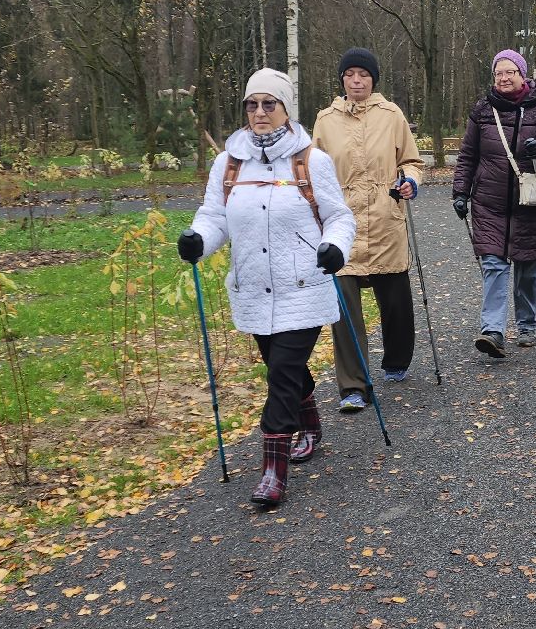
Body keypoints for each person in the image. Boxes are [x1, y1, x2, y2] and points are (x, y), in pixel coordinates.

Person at [178, 68, 355, 509]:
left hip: (304, 285)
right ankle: (311, 425)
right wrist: (199, 240)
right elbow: (215, 216)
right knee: (280, 364)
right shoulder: (229, 161)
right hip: (254, 287)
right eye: (251, 104)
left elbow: (339, 217)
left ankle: (273, 469)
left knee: (281, 372)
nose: (259, 112)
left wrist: (334, 247)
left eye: (268, 104)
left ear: (285, 108)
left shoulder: (311, 161)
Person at [314, 47, 424, 415]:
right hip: (342, 222)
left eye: (363, 75)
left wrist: (409, 180)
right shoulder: (325, 120)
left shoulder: (392, 115)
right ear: (342, 80)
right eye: (350, 75)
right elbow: (313, 170)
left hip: (384, 216)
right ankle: (353, 385)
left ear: (373, 79)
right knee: (344, 308)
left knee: (395, 302)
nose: (356, 81)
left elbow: (411, 161)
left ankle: (396, 360)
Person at [452, 49, 536, 358]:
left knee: (529, 267)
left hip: (530, 200)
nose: (503, 78)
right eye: (498, 73)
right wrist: (460, 192)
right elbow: (467, 156)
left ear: (522, 75)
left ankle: (527, 324)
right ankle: (493, 331)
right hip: (489, 202)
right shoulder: (482, 111)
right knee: (493, 264)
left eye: (509, 72)